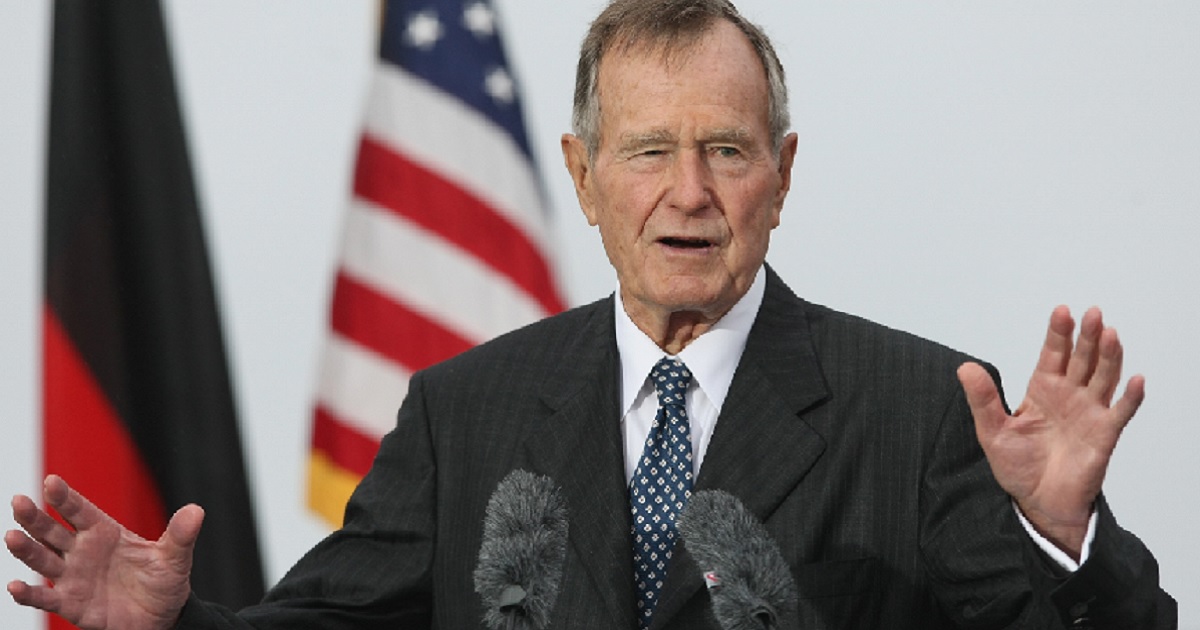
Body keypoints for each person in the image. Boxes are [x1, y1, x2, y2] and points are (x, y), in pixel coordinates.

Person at [6, 1, 1176, 628]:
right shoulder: (466, 413)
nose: (689, 193)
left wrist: (1064, 539)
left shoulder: (922, 412)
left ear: (783, 171)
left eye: (725, 150)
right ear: (580, 173)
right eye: (649, 151)